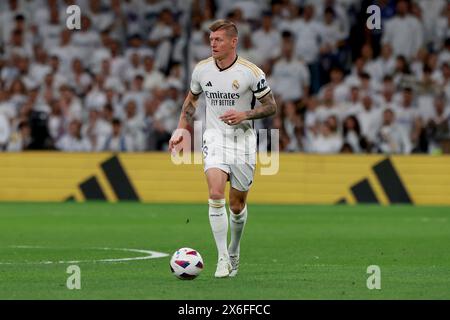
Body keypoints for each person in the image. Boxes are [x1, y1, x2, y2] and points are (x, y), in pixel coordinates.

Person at [168, 19, 277, 278]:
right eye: (211, 40)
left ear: (233, 42)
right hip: (215, 139)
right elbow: (191, 100)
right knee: (215, 193)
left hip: (243, 142)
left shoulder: (251, 72)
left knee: (236, 206)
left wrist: (245, 114)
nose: (213, 44)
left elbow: (271, 106)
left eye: (218, 40)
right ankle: (222, 258)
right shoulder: (202, 70)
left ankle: (234, 249)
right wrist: (182, 129)